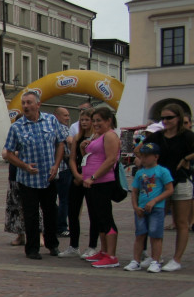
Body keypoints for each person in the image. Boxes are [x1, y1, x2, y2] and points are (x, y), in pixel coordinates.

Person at [3, 92, 68, 260]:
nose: (25, 106)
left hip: (48, 176)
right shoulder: (17, 127)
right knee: (30, 215)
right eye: (23, 103)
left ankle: (52, 245)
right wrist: (24, 165)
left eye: (29, 102)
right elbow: (8, 153)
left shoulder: (51, 121)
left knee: (50, 212)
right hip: (28, 179)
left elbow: (60, 143)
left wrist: (56, 165)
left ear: (38, 105)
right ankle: (32, 249)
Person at [142, 103, 194, 271]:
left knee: (181, 222)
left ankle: (177, 259)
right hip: (160, 183)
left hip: (180, 180)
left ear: (178, 118)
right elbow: (139, 149)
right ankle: (155, 256)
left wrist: (186, 159)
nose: (165, 121)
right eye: (163, 118)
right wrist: (148, 163)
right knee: (156, 219)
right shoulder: (157, 136)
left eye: (169, 118)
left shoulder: (187, 136)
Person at [80, 107, 122, 268]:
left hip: (103, 182)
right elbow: (90, 156)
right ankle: (104, 251)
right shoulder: (98, 135)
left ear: (108, 121)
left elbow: (111, 160)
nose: (95, 123)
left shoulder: (110, 135)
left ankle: (111, 255)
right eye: (94, 120)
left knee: (105, 217)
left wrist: (93, 177)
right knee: (97, 218)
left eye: (99, 120)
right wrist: (84, 147)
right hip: (92, 183)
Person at [124, 143, 173, 273]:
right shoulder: (140, 173)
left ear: (156, 156)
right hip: (141, 208)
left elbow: (169, 190)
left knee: (155, 235)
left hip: (156, 208)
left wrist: (155, 201)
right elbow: (134, 191)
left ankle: (155, 261)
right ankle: (136, 260)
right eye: (142, 156)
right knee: (140, 234)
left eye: (146, 156)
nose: (143, 159)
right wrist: (135, 206)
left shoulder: (162, 171)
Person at [62, 109, 98, 258]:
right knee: (73, 212)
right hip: (77, 178)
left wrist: (86, 176)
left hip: (92, 180)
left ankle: (92, 246)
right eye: (81, 119)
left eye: (87, 119)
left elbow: (94, 159)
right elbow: (72, 158)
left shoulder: (97, 138)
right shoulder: (77, 137)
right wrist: (77, 174)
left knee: (93, 213)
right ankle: (73, 245)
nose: (84, 122)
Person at [53, 107, 73, 237]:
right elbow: (70, 143)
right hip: (63, 169)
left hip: (53, 169)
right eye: (65, 115)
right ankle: (61, 226)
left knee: (52, 199)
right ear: (57, 116)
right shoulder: (63, 129)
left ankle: (53, 224)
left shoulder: (50, 128)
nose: (67, 118)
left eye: (68, 115)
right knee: (64, 200)